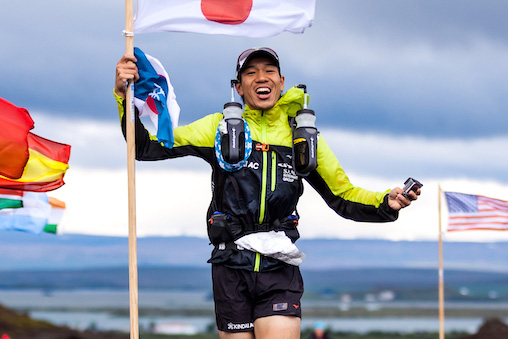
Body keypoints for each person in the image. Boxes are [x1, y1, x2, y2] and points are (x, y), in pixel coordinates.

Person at [114, 47, 421, 339]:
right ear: (238, 86)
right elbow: (146, 146)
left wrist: (386, 202)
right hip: (231, 266)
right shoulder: (217, 128)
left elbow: (342, 195)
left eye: (269, 70)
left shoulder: (302, 137)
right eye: (251, 73)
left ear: (281, 81)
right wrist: (123, 96)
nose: (261, 77)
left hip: (279, 266)